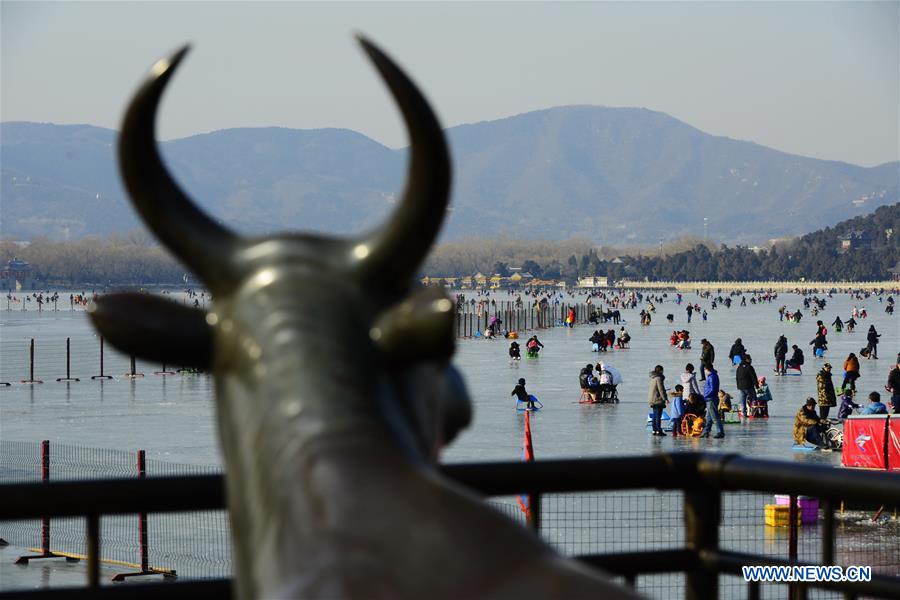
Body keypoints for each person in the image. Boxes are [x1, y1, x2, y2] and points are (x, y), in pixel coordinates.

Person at [701, 364, 724, 438]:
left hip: (711, 399)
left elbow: (713, 389)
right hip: (709, 398)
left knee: (715, 417)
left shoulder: (712, 377)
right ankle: (706, 431)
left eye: (705, 370)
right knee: (708, 417)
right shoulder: (711, 376)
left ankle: (720, 432)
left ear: (707, 369)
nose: (704, 371)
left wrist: (706, 395)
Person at [647, 365, 667, 436]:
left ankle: (654, 430)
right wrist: (665, 398)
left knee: (655, 415)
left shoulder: (653, 378)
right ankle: (658, 430)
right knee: (658, 415)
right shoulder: (658, 378)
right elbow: (660, 389)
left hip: (652, 398)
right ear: (660, 371)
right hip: (657, 399)